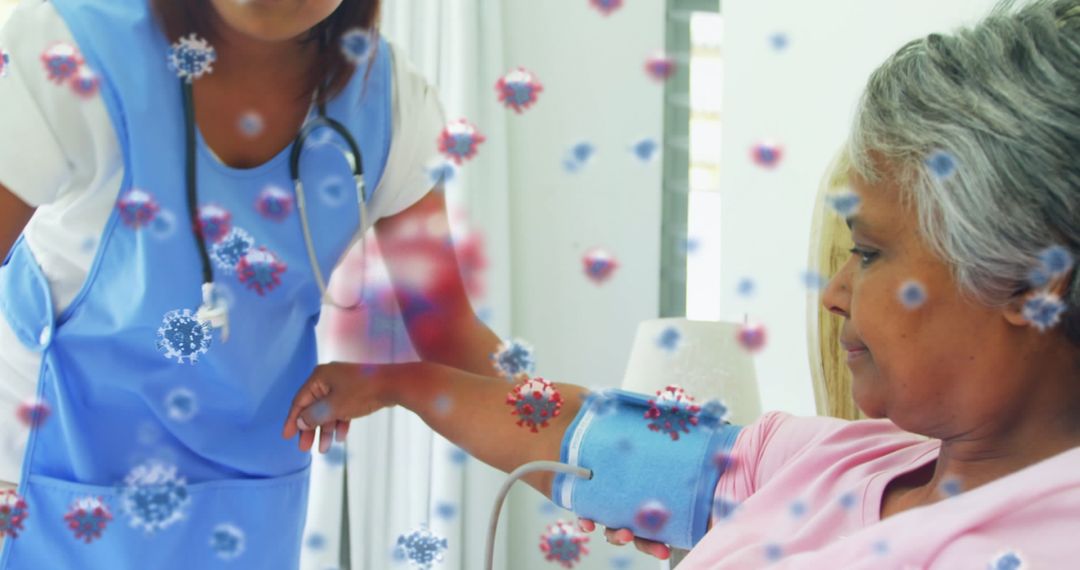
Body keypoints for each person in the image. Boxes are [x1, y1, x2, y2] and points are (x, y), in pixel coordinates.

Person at [285, 0, 1080, 566]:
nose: (833, 292)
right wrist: (402, 386)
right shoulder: (836, 464)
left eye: (868, 254)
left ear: (1033, 280)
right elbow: (581, 436)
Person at [0, 0, 503, 567]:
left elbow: (451, 333)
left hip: (246, 508)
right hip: (46, 482)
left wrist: (585, 460)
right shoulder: (70, 52)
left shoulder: (387, 103)